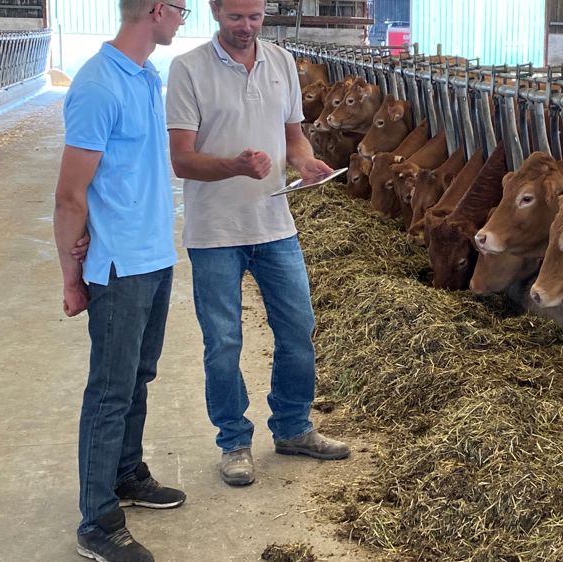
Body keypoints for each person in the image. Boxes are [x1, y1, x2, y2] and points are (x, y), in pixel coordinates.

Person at [165, 0, 350, 488]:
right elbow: (181, 160)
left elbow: (294, 136)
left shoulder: (282, 62)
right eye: (235, 18)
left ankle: (292, 427)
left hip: (275, 223)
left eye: (254, 17)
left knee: (298, 329)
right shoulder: (187, 69)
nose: (246, 27)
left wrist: (306, 163)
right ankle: (233, 441)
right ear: (214, 12)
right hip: (215, 232)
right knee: (223, 342)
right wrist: (234, 166)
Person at [54, 1, 189, 561]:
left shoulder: (146, 73)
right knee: (109, 389)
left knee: (140, 373)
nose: (183, 20)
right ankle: (97, 518)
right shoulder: (97, 86)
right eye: (181, 10)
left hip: (153, 255)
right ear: (156, 10)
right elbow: (69, 194)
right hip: (117, 265)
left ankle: (127, 472)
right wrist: (71, 274)